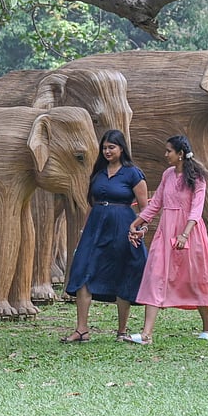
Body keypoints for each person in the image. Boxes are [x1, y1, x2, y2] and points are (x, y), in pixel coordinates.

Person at [125, 135, 208, 345]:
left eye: (169, 151)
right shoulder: (167, 175)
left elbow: (197, 209)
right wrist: (138, 222)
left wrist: (185, 234)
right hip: (166, 231)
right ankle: (146, 334)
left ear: (180, 154)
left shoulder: (197, 177)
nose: (165, 155)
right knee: (155, 275)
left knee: (196, 278)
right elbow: (156, 203)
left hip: (190, 232)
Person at [60, 129, 149, 343]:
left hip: (122, 226)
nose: (107, 151)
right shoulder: (98, 174)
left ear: (121, 149)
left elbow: (146, 209)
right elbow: (91, 204)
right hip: (95, 227)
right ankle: (82, 329)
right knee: (82, 270)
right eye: (105, 147)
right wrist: (84, 231)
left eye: (112, 147)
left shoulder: (133, 173)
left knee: (122, 274)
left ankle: (121, 330)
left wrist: (140, 229)